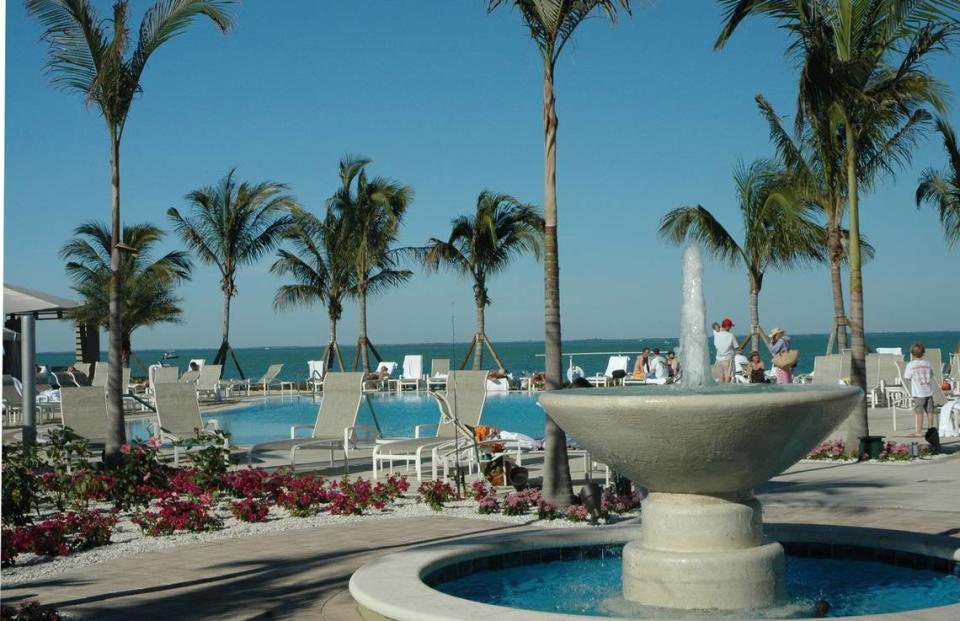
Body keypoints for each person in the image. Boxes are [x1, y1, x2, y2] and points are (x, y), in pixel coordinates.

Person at [904, 342, 936, 435]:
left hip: (918, 393)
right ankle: (931, 429)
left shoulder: (911, 365)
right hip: (928, 392)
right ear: (923, 352)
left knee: (919, 412)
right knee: (930, 411)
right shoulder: (927, 363)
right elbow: (931, 375)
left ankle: (919, 431)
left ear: (912, 353)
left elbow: (907, 377)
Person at [712, 318, 738, 383]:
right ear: (727, 326)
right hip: (728, 359)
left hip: (718, 360)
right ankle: (727, 390)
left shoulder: (716, 335)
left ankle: (721, 391)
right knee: (728, 377)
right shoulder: (731, 335)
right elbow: (736, 347)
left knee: (720, 378)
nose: (730, 328)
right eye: (730, 326)